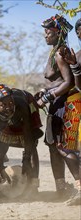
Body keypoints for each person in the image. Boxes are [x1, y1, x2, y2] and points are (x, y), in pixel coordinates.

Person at [34, 14, 78, 197]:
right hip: (56, 103)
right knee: (53, 146)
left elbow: (69, 82)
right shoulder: (54, 52)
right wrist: (44, 91)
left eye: (48, 32)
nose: (45, 35)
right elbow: (57, 80)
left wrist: (47, 96)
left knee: (63, 146)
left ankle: (80, 185)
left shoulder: (61, 52)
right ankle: (61, 188)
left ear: (58, 33)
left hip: (64, 103)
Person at [0, 84, 43, 199]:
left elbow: (27, 133)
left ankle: (34, 187)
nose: (8, 107)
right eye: (3, 105)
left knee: (31, 148)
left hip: (25, 123)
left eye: (10, 103)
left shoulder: (21, 104)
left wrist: (26, 158)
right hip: (6, 125)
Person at [59, 18, 81, 205]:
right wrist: (74, 64)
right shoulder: (78, 55)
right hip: (76, 105)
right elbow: (78, 85)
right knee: (67, 146)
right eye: (80, 30)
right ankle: (80, 187)